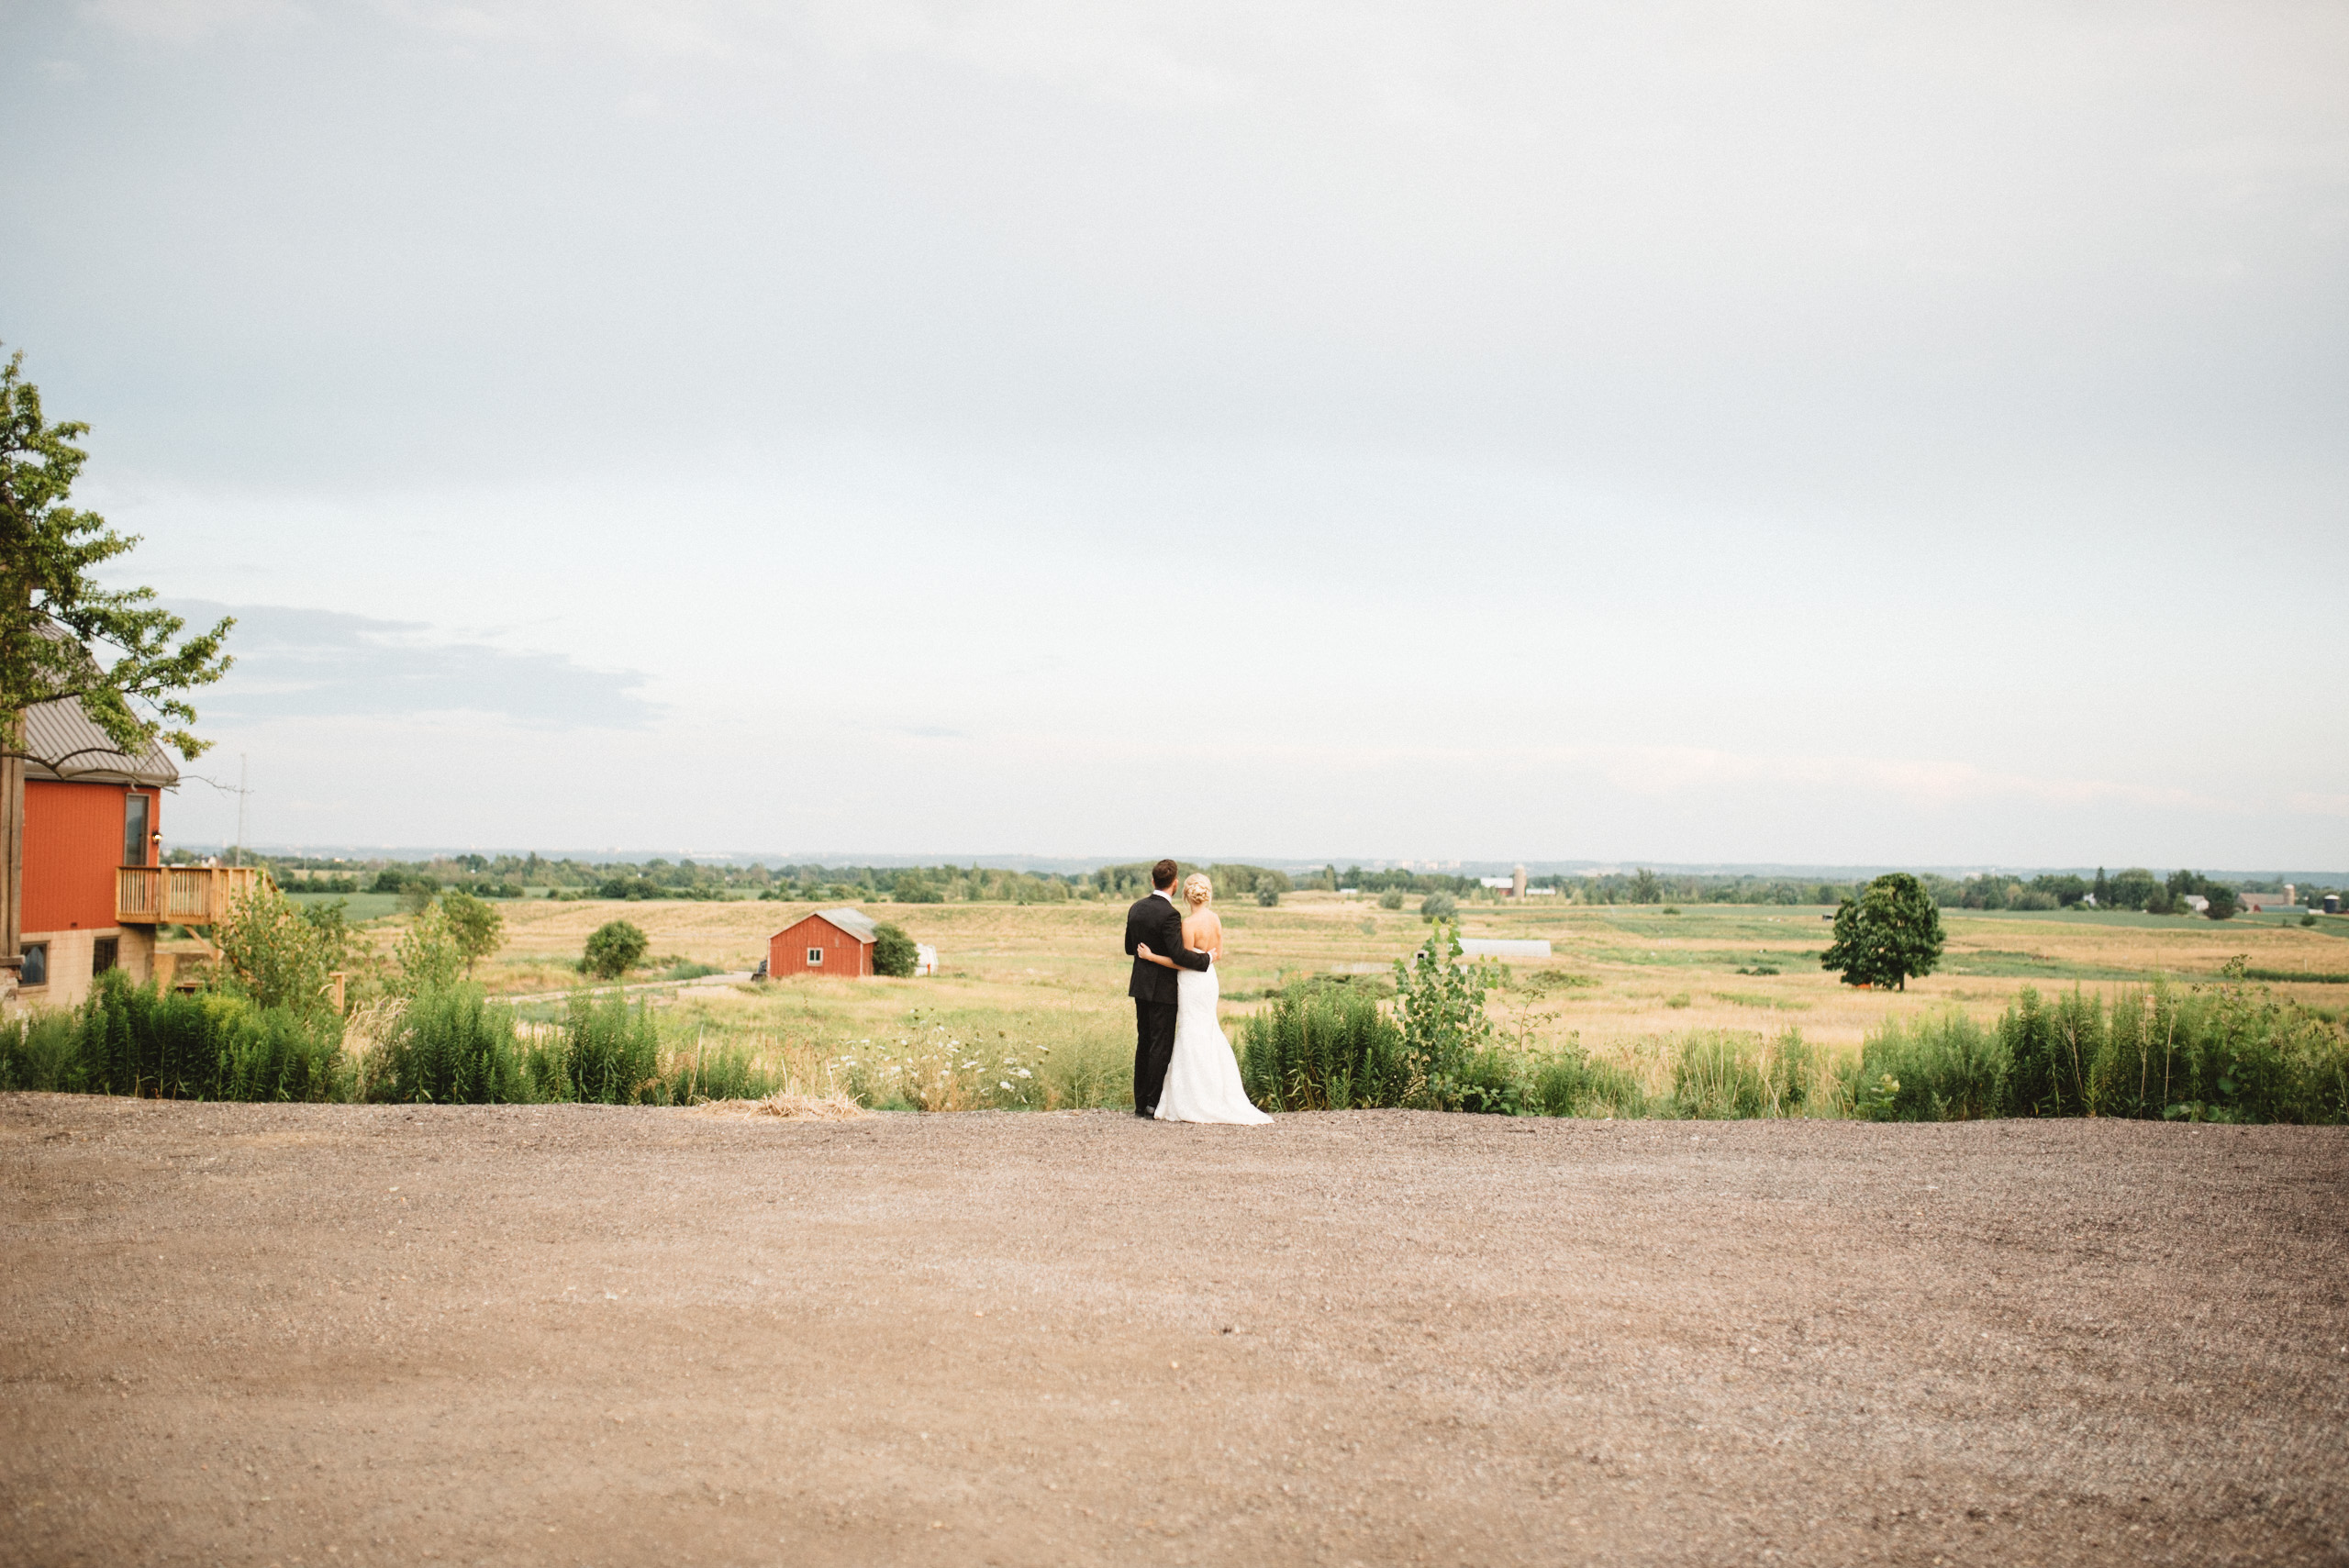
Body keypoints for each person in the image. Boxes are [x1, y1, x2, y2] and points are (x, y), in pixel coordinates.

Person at [1135, 873, 1272, 1125]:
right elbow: (1217, 954)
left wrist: (1151, 957)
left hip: (1191, 983)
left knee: (1190, 1032)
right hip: (1209, 980)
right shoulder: (1215, 919)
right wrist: (1207, 958)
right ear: (1207, 894)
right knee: (1207, 1030)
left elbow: (1182, 963)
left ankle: (1194, 1097)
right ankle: (1216, 1092)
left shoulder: (1187, 925)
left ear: (1186, 895)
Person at [1124, 859, 1212, 1118]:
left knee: (1144, 1042)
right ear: (1174, 884)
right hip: (1163, 989)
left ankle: (1140, 1103)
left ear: (1153, 882)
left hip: (1140, 986)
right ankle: (1153, 1103)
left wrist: (1148, 953)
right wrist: (1205, 959)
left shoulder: (1136, 908)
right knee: (1160, 1046)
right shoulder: (1170, 915)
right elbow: (1179, 955)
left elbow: (1130, 948)